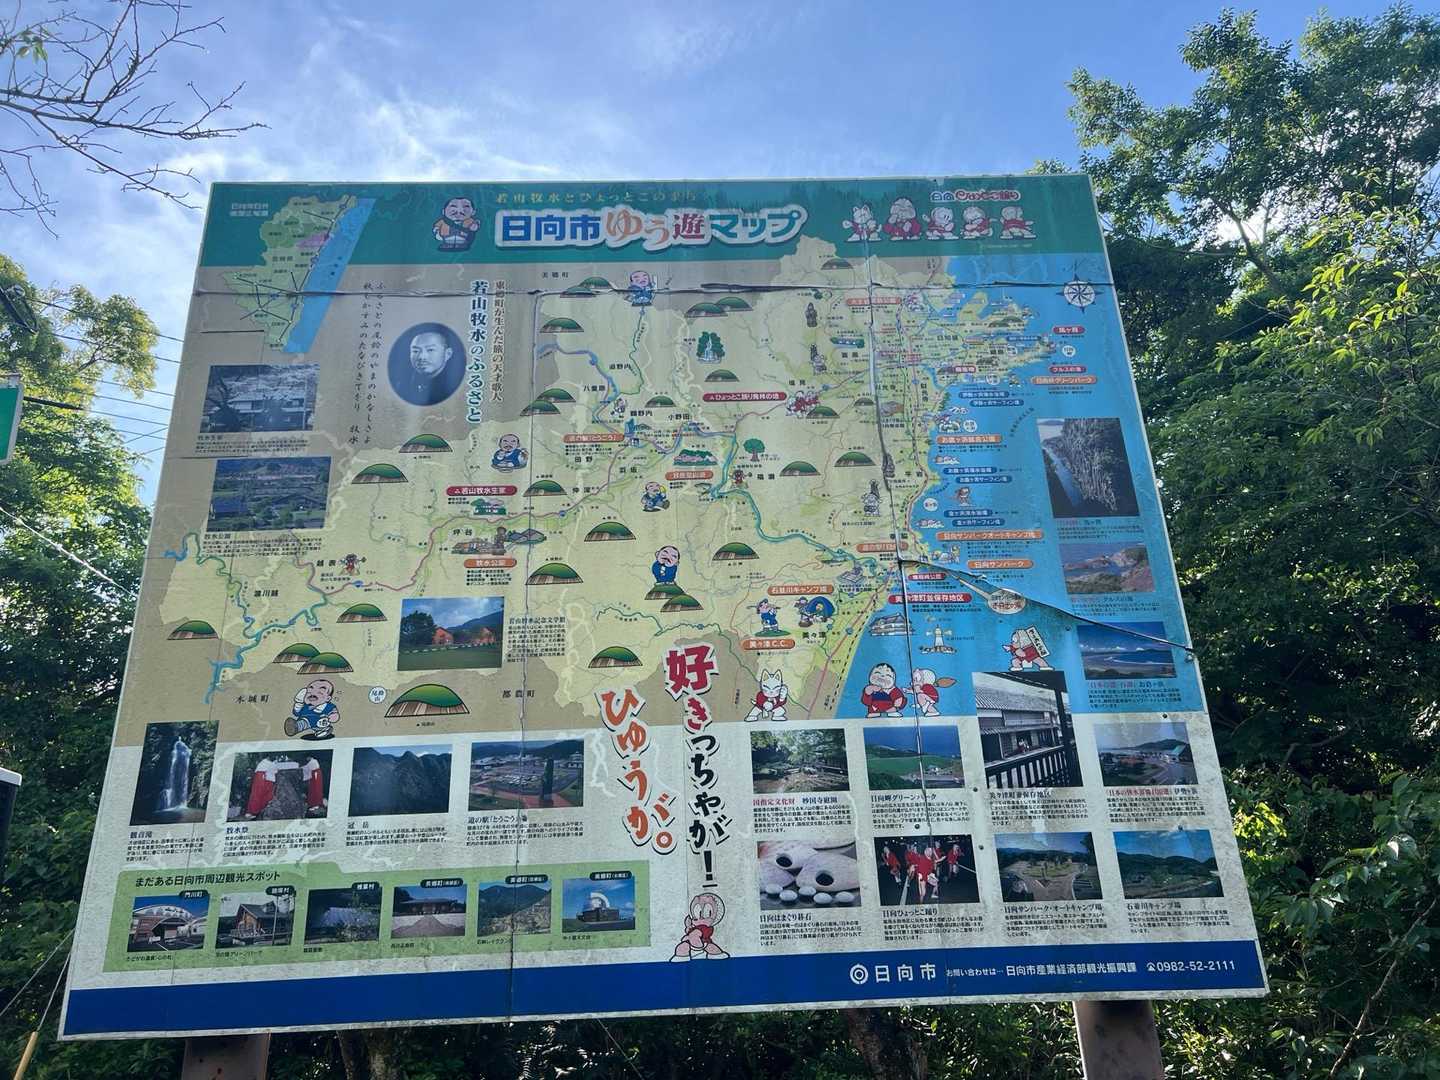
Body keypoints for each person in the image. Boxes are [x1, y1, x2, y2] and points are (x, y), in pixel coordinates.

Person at [389, 325, 462, 406]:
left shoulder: (455, 386)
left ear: (447, 354)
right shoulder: (400, 385)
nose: (421, 357)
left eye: (430, 350)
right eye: (415, 351)